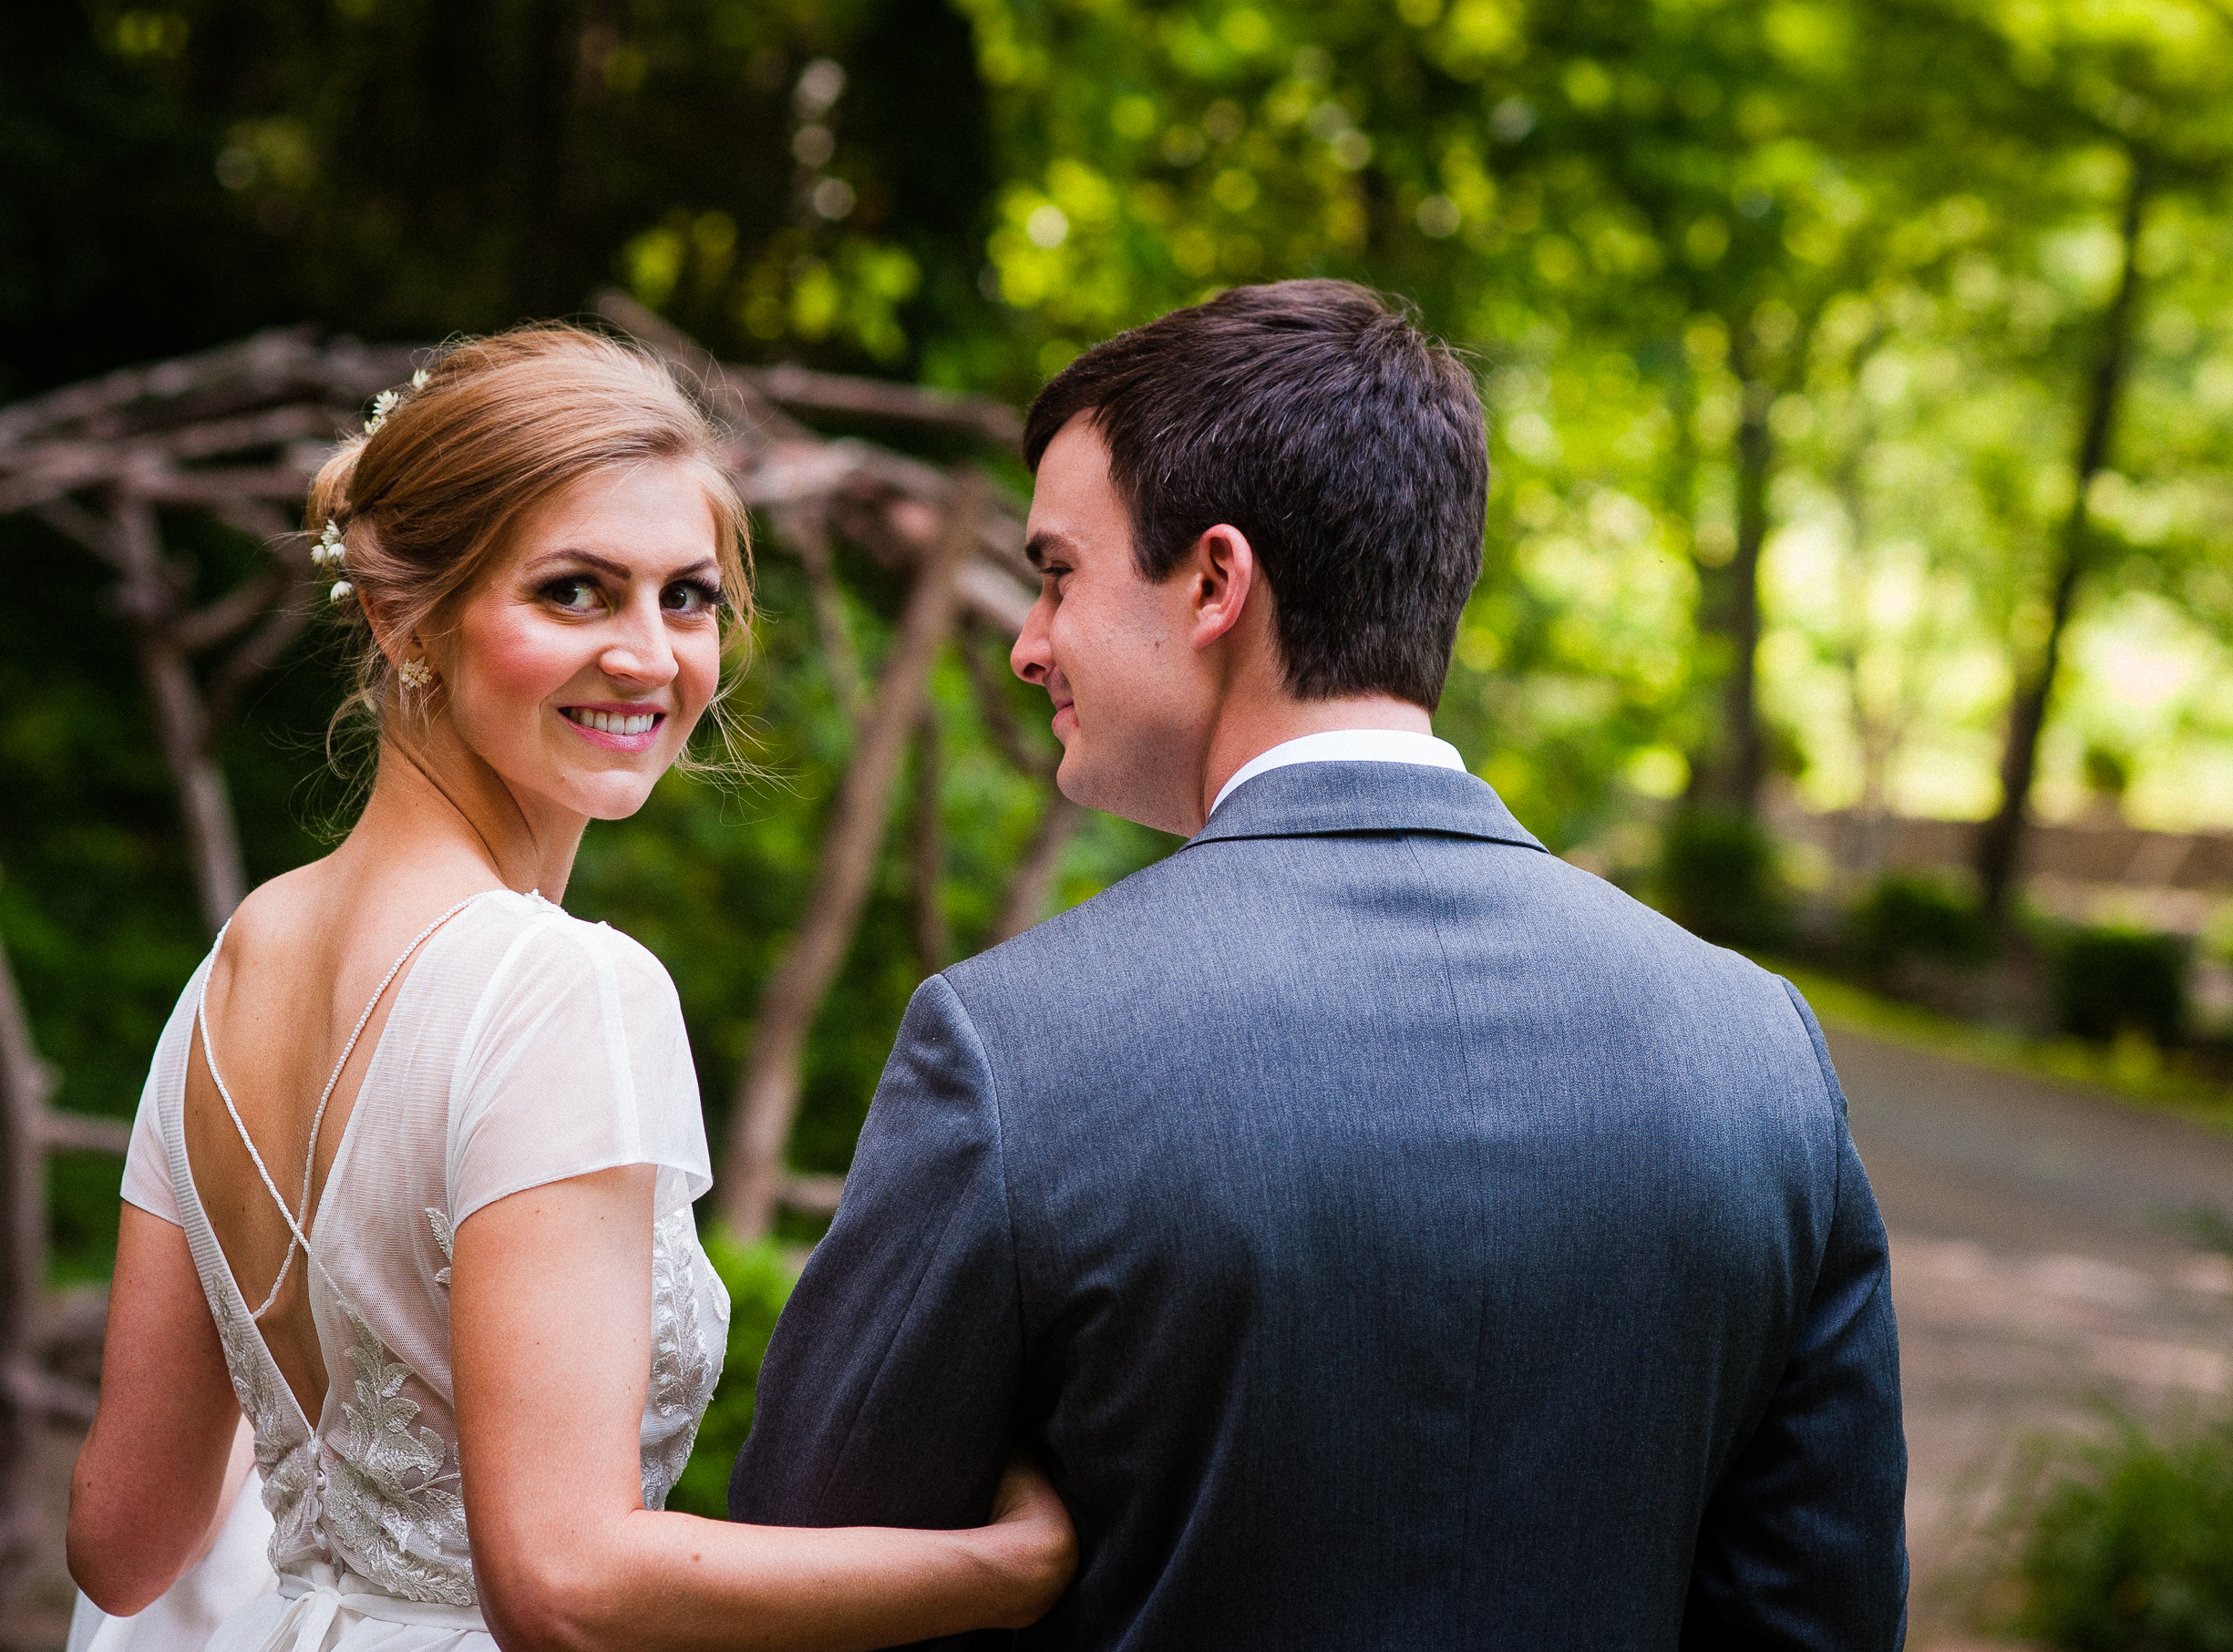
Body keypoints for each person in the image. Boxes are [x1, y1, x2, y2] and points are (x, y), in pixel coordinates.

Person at [731, 280, 1909, 1648]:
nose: (1027, 639)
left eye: (1058, 573)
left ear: (1217, 581)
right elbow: (1817, 1620)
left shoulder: (1018, 1049)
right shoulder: (1756, 1049)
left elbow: (799, 1595)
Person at [67, 325, 1074, 1652]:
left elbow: (121, 1544)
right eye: (576, 593)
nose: (652, 658)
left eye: (688, 597)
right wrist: (1002, 1572)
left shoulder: (231, 973)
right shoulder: (559, 987)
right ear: (399, 612)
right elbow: (566, 1588)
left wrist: (362, 1503)